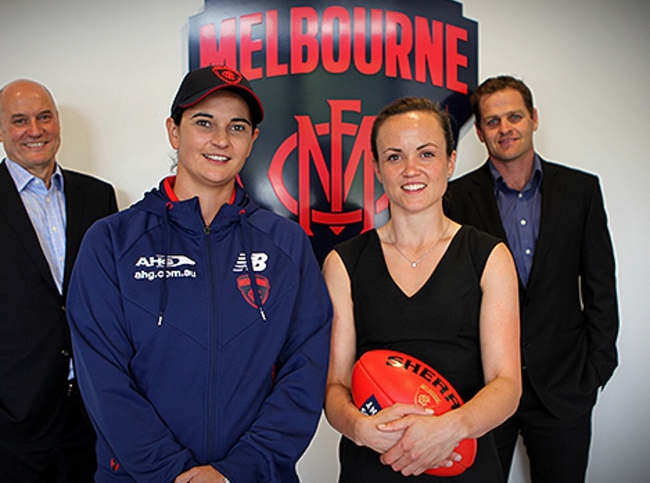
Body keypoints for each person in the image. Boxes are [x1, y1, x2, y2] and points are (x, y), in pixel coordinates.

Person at [66, 65, 332, 483]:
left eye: (237, 127)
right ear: (174, 131)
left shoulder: (286, 244)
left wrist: (235, 472)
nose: (221, 140)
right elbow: (102, 377)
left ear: (252, 140)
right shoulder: (112, 241)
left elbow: (306, 370)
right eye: (204, 123)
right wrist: (173, 473)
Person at [323, 96, 521, 482]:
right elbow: (335, 386)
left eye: (426, 153)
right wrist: (359, 428)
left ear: (449, 161)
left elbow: (507, 385)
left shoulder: (489, 256)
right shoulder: (343, 262)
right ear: (377, 168)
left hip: (462, 460)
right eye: (394, 156)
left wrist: (452, 428)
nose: (411, 169)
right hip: (374, 463)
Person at [445, 75, 619, 483]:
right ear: (481, 133)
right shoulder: (455, 198)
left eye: (514, 116)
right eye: (492, 121)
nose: (505, 128)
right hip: (483, 389)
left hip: (564, 388)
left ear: (534, 119)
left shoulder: (581, 190)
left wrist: (597, 369)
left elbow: (601, 288)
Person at [0, 79, 118, 481]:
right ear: (1, 131)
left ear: (58, 123)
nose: (35, 130)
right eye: (19, 120)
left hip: (91, 411)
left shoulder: (99, 197)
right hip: (14, 421)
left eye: (44, 117)